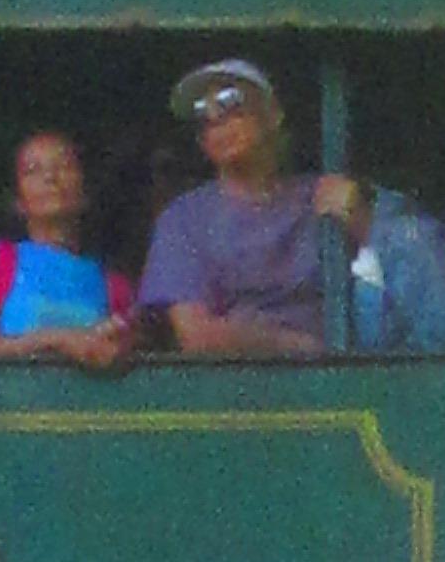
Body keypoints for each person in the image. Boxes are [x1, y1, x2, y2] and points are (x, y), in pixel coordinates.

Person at [137, 57, 367, 356]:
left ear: (273, 113)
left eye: (230, 102)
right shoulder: (184, 219)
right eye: (202, 115)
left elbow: (397, 276)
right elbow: (197, 336)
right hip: (236, 389)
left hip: (347, 390)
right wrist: (302, 347)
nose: (216, 119)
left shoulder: (324, 193)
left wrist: (360, 217)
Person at [0, 129, 137, 370]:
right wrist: (60, 340)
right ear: (18, 201)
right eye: (33, 170)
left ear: (85, 192)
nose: (51, 177)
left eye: (64, 166)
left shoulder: (112, 282)